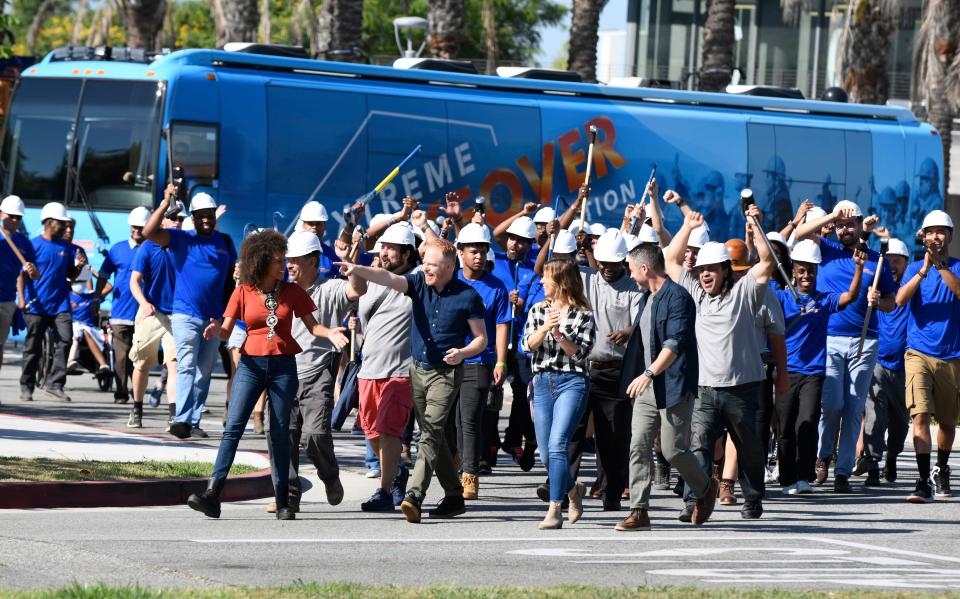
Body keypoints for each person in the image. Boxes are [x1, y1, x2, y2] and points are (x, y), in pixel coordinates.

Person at [187, 229, 348, 520]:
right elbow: (226, 329)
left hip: (284, 367)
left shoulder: (292, 292)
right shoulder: (242, 292)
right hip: (250, 366)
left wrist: (331, 332)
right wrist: (215, 332)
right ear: (260, 263)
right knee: (233, 429)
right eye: (277, 261)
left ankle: (284, 501)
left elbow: (313, 327)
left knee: (279, 432)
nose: (283, 265)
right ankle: (212, 494)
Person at [337, 237, 487, 523]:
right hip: (417, 371)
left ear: (449, 266)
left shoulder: (468, 296)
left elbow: (481, 339)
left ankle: (413, 496)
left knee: (429, 433)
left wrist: (463, 352)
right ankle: (454, 495)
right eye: (425, 264)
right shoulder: (418, 284)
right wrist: (357, 268)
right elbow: (388, 277)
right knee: (436, 435)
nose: (426, 269)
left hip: (446, 372)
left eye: (432, 265)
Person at [664, 198, 776, 520]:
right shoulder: (693, 293)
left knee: (749, 449)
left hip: (742, 388)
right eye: (701, 270)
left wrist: (756, 228)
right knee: (697, 447)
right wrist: (687, 226)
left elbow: (766, 263)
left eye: (712, 269)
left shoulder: (745, 292)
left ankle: (753, 498)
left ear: (726, 270)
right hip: (704, 390)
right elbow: (671, 259)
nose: (705, 275)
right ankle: (694, 501)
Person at [616, 242, 719, 531]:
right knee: (638, 445)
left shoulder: (679, 298)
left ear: (645, 268)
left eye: (632, 269)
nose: (631, 274)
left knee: (673, 451)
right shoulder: (645, 298)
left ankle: (705, 487)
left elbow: (674, 344)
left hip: (673, 384)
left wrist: (648, 373)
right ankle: (639, 511)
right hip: (647, 387)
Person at [795, 200, 895, 492]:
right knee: (832, 405)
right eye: (840, 225)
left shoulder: (877, 260)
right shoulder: (824, 251)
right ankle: (823, 456)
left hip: (865, 340)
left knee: (853, 408)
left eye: (850, 223)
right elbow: (800, 233)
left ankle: (842, 471)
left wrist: (881, 301)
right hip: (828, 339)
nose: (845, 229)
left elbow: (891, 301)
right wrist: (832, 214)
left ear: (860, 225)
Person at [278, 230, 366, 512]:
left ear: (314, 261)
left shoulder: (330, 289)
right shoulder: (279, 291)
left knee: (315, 435)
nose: (289, 265)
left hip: (317, 373)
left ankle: (329, 476)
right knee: (284, 437)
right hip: (283, 373)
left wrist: (350, 263)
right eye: (287, 260)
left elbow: (357, 290)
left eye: (296, 260)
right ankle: (288, 498)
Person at [142, 185, 237, 439]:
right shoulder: (182, 239)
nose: (205, 218)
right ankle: (181, 419)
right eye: (200, 214)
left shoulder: (225, 242)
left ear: (214, 215)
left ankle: (192, 422)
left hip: (213, 318)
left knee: (204, 371)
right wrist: (164, 204)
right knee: (186, 366)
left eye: (209, 213)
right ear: (192, 218)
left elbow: (234, 272)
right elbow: (148, 232)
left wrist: (239, 273)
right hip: (185, 315)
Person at [775, 239, 864, 495]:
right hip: (785, 371)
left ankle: (804, 477)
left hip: (813, 373)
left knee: (808, 422)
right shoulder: (782, 298)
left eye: (811, 270)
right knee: (786, 427)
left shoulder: (824, 300)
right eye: (801, 270)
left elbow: (851, 296)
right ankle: (787, 478)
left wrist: (858, 269)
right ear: (793, 271)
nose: (806, 275)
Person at [522, 258, 595, 529]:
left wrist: (558, 333)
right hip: (542, 382)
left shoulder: (583, 314)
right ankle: (573, 491)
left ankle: (555, 509)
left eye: (547, 278)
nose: (541, 282)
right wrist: (544, 329)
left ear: (562, 282)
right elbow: (526, 346)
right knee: (545, 453)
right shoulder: (537, 310)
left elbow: (581, 354)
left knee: (557, 445)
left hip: (571, 382)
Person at [895, 210, 960, 502]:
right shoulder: (914, 270)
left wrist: (940, 266)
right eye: (930, 232)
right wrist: (923, 270)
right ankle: (922, 481)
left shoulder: (957, 267)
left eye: (941, 232)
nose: (936, 237)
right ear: (924, 236)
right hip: (918, 351)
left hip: (952, 355)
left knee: (947, 422)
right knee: (920, 414)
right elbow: (899, 300)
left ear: (949, 236)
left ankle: (942, 467)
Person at [354, 223, 417, 512]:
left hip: (401, 371)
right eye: (383, 248)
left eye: (392, 248)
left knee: (390, 430)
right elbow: (353, 292)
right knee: (372, 431)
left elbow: (439, 252)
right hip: (368, 368)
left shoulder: (418, 279)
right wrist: (355, 255)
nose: (385, 253)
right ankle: (397, 474)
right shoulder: (372, 280)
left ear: (408, 253)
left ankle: (383, 489)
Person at [577, 229, 642, 511]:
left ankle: (612, 492)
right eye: (602, 262)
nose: (606, 268)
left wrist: (627, 331)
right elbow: (557, 265)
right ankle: (562, 486)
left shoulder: (634, 289)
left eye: (613, 263)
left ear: (623, 261)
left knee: (612, 437)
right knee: (573, 431)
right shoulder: (586, 279)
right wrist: (575, 242)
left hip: (615, 371)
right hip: (582, 368)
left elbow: (641, 324)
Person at [453, 223, 510, 499]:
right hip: (449, 360)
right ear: (460, 252)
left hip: (480, 360)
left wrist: (500, 361)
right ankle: (458, 462)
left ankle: (470, 475)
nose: (479, 256)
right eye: (474, 251)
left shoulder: (497, 287)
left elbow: (501, 325)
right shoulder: (450, 281)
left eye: (483, 251)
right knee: (454, 421)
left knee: (471, 420)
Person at [858, 237, 911, 486]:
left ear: (906, 263)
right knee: (875, 416)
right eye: (888, 261)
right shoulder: (872, 290)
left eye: (897, 261)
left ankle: (892, 455)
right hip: (877, 362)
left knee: (900, 422)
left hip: (903, 366)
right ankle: (873, 466)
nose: (892, 265)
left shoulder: (913, 291)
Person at [492, 211, 539, 471]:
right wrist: (521, 213)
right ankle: (488, 449)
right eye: (512, 239)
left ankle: (517, 439)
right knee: (490, 393)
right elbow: (497, 234)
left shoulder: (535, 266)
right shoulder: (496, 260)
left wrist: (520, 306)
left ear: (530, 244)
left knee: (523, 393)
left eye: (521, 240)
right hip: (496, 339)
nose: (513, 244)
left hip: (521, 341)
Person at [20, 202, 81, 402]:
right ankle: (27, 385)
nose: (64, 226)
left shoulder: (67, 247)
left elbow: (70, 276)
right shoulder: (33, 245)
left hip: (60, 304)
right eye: (60, 222)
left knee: (65, 340)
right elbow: (22, 275)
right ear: (48, 222)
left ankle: (55, 384)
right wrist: (21, 298)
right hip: (36, 305)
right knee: (33, 346)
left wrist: (79, 267)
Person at [127, 209, 183, 429]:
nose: (178, 222)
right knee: (141, 364)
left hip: (177, 315)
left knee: (174, 365)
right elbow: (134, 282)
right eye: (174, 218)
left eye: (181, 219)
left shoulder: (183, 246)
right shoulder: (147, 247)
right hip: (152, 312)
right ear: (163, 220)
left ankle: (173, 415)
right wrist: (143, 303)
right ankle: (137, 409)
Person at [97, 207, 150, 403]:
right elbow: (103, 275)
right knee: (121, 356)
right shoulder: (117, 249)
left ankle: (137, 392)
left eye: (141, 227)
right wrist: (97, 296)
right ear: (130, 226)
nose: (137, 230)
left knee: (137, 357)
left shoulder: (151, 248)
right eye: (134, 226)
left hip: (144, 314)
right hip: (120, 313)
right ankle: (120, 391)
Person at [0, 195, 38, 375]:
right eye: (11, 216)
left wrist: (33, 271)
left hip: (7, 300)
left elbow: (34, 275)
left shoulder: (24, 243)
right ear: (1, 214)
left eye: (18, 217)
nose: (15, 220)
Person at [298, 201, 341, 280]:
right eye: (310, 223)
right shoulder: (290, 253)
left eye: (318, 223)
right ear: (303, 225)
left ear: (325, 226)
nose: (314, 227)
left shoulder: (333, 257)